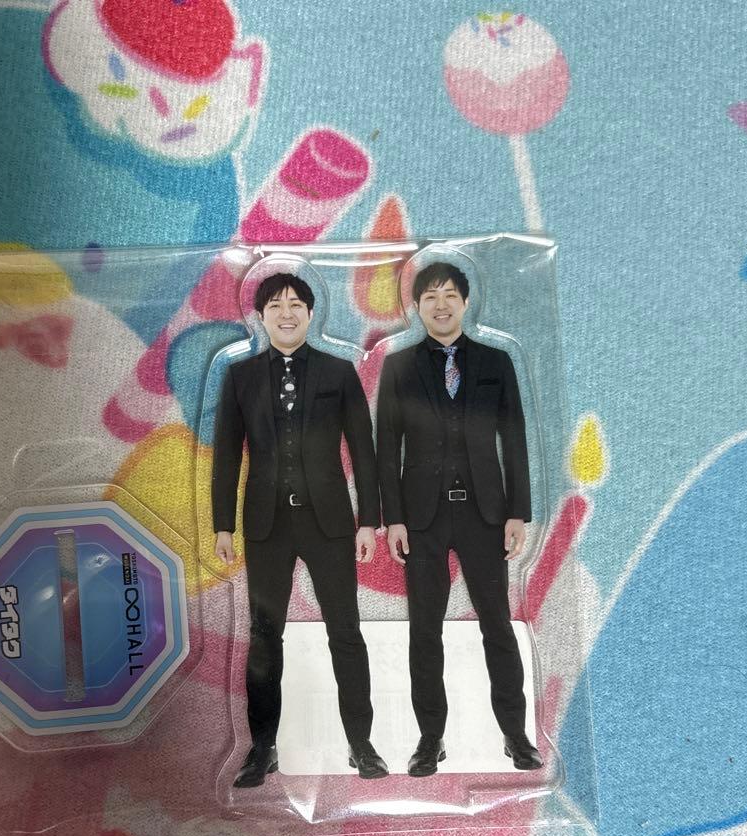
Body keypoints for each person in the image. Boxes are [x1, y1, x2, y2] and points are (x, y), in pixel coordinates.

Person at [212, 272, 389, 786]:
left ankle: (362, 744)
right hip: (266, 526)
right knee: (265, 637)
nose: (286, 313)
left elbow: (364, 450)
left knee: (346, 632)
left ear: (311, 314)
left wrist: (369, 521)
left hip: (329, 523)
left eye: (295, 304)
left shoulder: (339, 372)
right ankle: (261, 748)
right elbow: (226, 456)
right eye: (275, 305)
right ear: (260, 316)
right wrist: (223, 525)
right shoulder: (241, 377)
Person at [375, 261, 542, 775]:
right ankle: (430, 739)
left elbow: (514, 439)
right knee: (425, 630)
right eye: (430, 296)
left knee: (497, 624)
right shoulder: (399, 367)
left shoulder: (496, 362)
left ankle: (516, 735)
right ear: (416, 307)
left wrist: (518, 512)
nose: (441, 304)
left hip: (484, 514)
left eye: (450, 294)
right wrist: (393, 518)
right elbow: (387, 447)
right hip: (421, 519)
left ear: (466, 302)